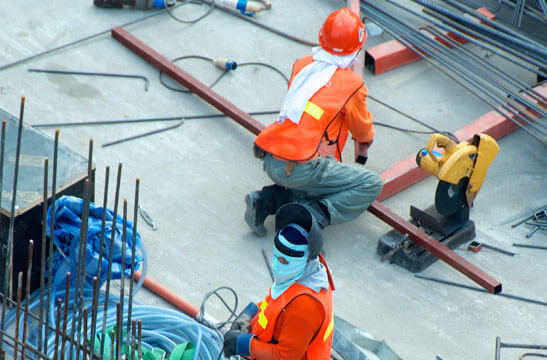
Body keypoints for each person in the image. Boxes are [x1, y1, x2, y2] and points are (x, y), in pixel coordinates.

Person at [245, 7, 384, 236]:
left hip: (270, 156)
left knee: (316, 177)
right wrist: (365, 142)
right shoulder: (352, 85)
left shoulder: (303, 65)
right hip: (298, 167)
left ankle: (266, 201)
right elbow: (362, 130)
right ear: (356, 50)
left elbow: (309, 110)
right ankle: (312, 216)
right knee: (369, 183)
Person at [224, 203, 335, 359]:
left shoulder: (306, 305)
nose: (276, 265)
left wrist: (244, 345)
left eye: (283, 261)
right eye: (275, 256)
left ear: (306, 259)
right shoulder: (300, 273)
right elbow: (275, 302)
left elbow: (285, 357)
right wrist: (250, 312)